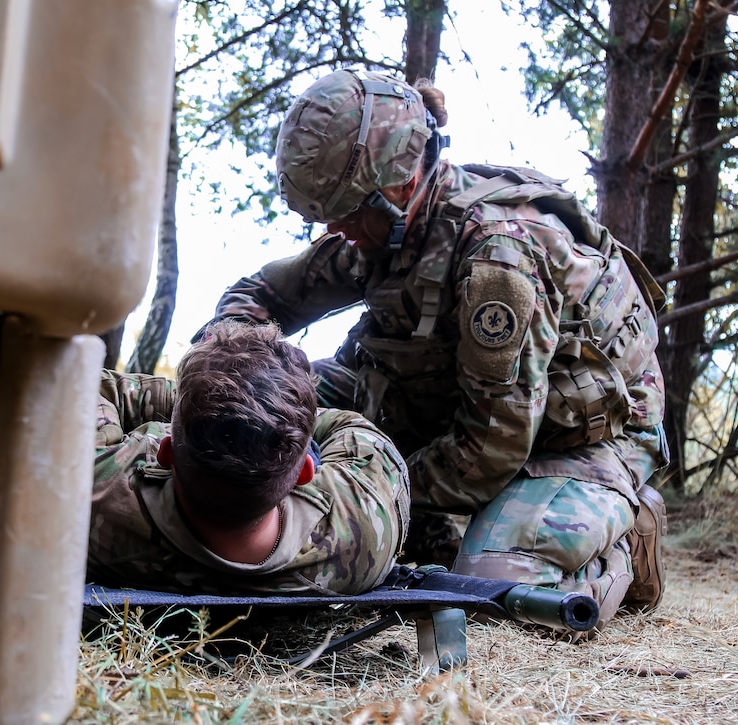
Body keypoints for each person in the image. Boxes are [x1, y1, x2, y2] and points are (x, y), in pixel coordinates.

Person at [199, 69, 669, 631]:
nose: (334, 227)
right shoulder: (380, 232)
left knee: (495, 583)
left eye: (345, 211)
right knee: (278, 399)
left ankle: (627, 531)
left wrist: (363, 489)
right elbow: (262, 294)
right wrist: (228, 374)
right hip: (451, 403)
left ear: (397, 185)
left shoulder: (500, 259)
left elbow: (489, 452)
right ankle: (424, 528)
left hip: (579, 433)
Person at [89, 319, 409, 595]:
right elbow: (354, 429)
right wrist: (279, 415)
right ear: (304, 473)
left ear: (166, 452)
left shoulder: (90, 498)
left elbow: (89, 387)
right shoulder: (365, 529)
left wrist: (202, 403)